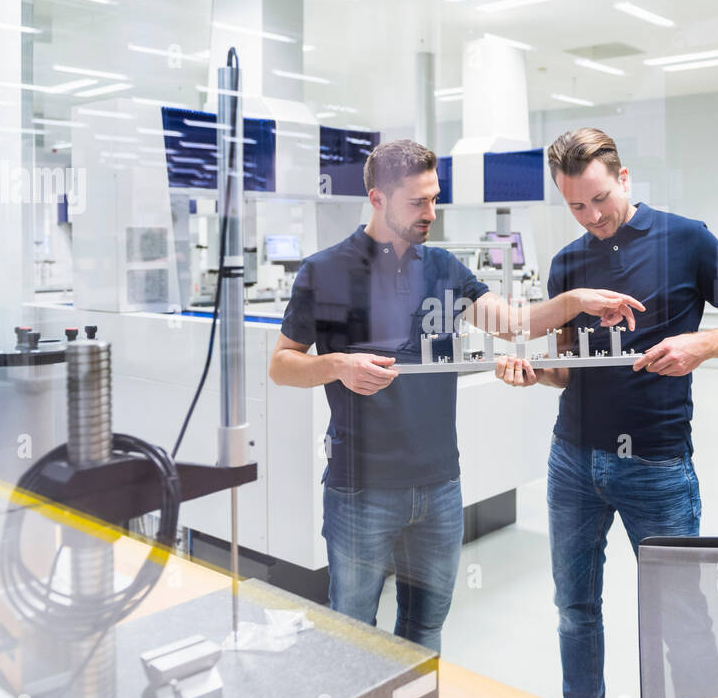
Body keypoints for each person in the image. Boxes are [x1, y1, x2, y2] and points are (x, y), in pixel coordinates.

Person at [269, 138, 644, 652]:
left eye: (435, 198)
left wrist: (574, 301)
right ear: (377, 199)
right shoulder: (324, 272)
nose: (431, 212)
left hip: (440, 486)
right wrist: (337, 365)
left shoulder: (443, 268)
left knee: (426, 626)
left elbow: (511, 323)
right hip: (360, 489)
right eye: (417, 202)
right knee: (352, 628)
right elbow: (282, 364)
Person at [495, 127, 718, 698]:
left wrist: (700, 344)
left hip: (657, 464)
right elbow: (567, 367)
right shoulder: (568, 263)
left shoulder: (686, 238)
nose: (592, 215)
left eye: (601, 199)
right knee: (574, 611)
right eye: (576, 206)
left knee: (681, 620)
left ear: (624, 178)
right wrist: (533, 371)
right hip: (572, 462)